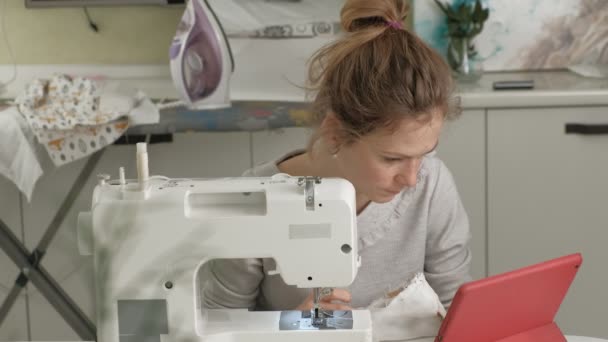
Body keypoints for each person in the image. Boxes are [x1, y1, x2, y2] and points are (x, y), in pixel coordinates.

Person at [202, 0, 471, 312]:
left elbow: (456, 312)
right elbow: (219, 325)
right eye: (391, 159)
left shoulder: (432, 185)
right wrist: (297, 329)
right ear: (335, 132)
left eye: (425, 153)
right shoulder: (255, 200)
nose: (411, 178)